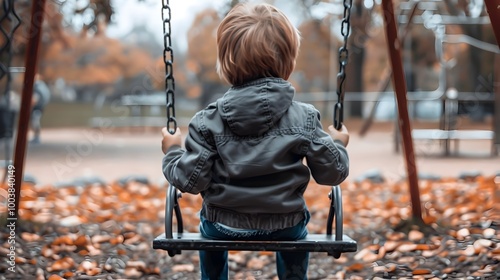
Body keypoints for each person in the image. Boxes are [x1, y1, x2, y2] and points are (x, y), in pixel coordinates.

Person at [161, 3, 350, 279]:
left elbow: (191, 180)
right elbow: (332, 173)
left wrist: (172, 151)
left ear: (226, 61)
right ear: (289, 61)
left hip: (222, 224)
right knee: (296, 229)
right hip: (286, 224)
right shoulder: (306, 118)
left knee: (208, 227)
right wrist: (339, 144)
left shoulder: (207, 121)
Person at [30, 74, 51, 143]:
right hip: (41, 106)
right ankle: (36, 137)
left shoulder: (37, 86)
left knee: (35, 122)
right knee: (35, 121)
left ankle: (37, 137)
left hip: (38, 107)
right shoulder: (42, 86)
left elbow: (35, 99)